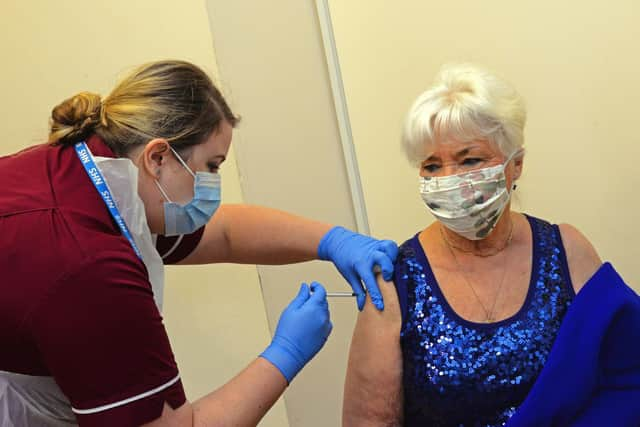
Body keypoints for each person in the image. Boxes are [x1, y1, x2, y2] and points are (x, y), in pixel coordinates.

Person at [0, 60, 398, 426]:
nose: (213, 186)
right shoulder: (89, 264)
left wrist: (331, 240)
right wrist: (286, 353)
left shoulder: (87, 173)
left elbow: (224, 234)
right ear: (158, 157)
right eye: (212, 166)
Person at [342, 64, 640, 426]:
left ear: (515, 165)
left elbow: (626, 377)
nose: (451, 179)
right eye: (432, 166)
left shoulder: (567, 250)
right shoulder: (395, 281)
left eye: (470, 160)